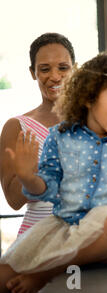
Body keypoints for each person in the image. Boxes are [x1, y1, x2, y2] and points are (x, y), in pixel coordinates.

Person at [0, 52, 107, 293]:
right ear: (88, 98)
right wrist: (27, 177)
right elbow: (48, 188)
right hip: (66, 228)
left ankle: (47, 272)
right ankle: (57, 263)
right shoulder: (58, 136)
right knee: (4, 281)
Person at [0, 33, 75, 236]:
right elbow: (13, 201)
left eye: (63, 67)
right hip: (37, 240)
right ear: (33, 72)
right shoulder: (17, 127)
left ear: (74, 69)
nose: (54, 76)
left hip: (90, 239)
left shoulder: (94, 122)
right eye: (44, 69)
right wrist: (30, 172)